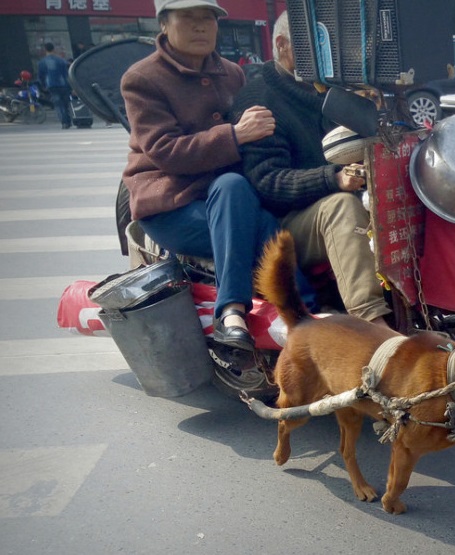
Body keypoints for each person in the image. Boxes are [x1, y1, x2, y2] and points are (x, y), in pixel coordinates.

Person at [121, 0, 282, 351]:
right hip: (171, 205)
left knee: (272, 225)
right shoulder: (142, 79)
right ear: (164, 24)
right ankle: (232, 311)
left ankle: (313, 315)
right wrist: (235, 135)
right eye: (188, 18)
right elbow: (165, 151)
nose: (200, 27)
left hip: (229, 200)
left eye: (207, 18)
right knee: (252, 215)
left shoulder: (233, 73)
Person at [231, 11, 392, 327]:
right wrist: (333, 178)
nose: (327, 55)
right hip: (289, 221)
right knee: (341, 207)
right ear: (283, 46)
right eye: (316, 46)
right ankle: (373, 322)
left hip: (337, 200)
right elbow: (268, 181)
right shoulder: (260, 97)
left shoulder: (331, 89)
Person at [36, 42, 72, 129]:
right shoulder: (61, 60)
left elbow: (41, 76)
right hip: (64, 84)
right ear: (54, 49)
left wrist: (43, 85)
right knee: (65, 103)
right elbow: (66, 74)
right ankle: (68, 120)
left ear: (45, 50)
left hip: (51, 85)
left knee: (58, 104)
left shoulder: (42, 62)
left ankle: (64, 122)